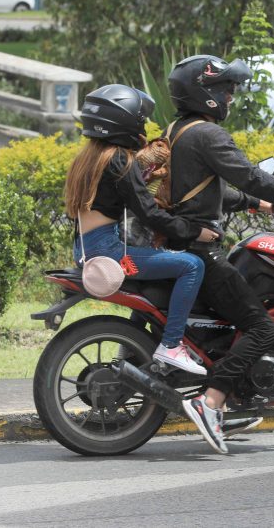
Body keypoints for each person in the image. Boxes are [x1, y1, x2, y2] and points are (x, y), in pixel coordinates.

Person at [162, 54, 274, 454]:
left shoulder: (177, 131)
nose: (230, 97)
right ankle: (211, 402)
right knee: (263, 328)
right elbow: (251, 176)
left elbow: (205, 188)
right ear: (204, 93)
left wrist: (258, 205)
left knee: (241, 316)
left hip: (177, 243)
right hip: (199, 251)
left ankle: (232, 397)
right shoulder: (208, 134)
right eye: (225, 89)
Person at [63, 84, 221, 379]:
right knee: (191, 265)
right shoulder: (119, 160)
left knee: (158, 269)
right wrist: (192, 232)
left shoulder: (89, 158)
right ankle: (171, 346)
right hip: (109, 251)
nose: (144, 128)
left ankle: (131, 350)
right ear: (124, 121)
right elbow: (150, 213)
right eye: (141, 120)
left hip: (86, 247)